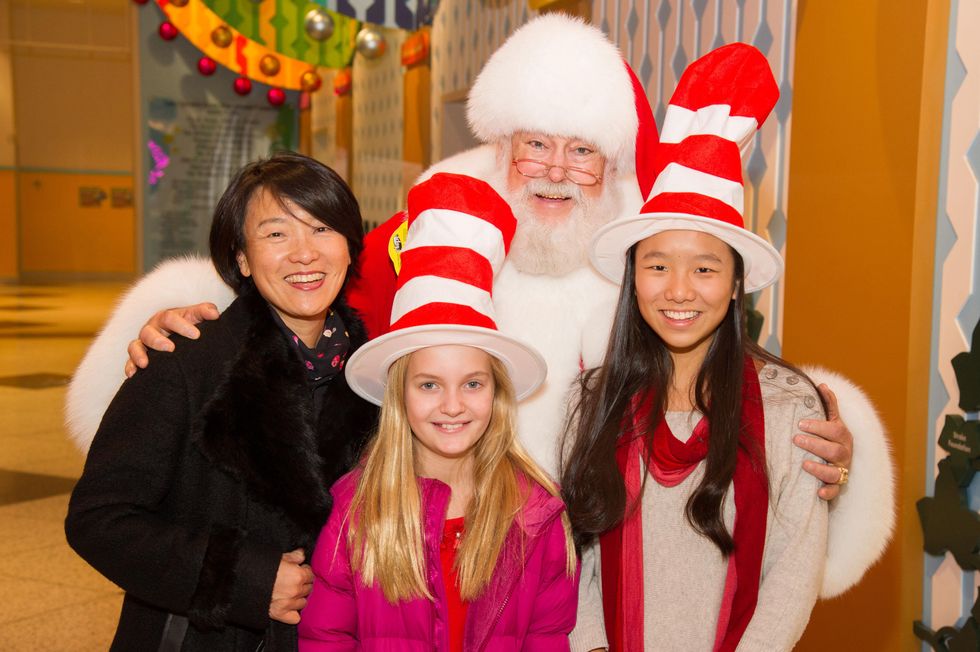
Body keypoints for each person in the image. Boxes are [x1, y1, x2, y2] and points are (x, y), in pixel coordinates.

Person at [65, 14, 892, 603]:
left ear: (613, 164)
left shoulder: (647, 263)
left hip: (599, 590)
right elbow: (307, 291)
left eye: (583, 151)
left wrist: (828, 447)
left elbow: (725, 381)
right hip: (424, 575)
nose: (556, 171)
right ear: (501, 144)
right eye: (535, 144)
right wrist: (183, 319)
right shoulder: (432, 231)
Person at [564, 44, 828, 650]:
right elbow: (578, 556)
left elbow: (794, 570)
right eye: (658, 265)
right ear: (633, 277)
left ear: (736, 284)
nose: (678, 290)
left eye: (705, 269)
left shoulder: (789, 407)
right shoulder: (596, 400)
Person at [64, 153, 378, 651]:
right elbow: (98, 519)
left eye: (322, 228)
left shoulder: (373, 374)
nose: (304, 254)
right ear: (242, 258)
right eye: (276, 234)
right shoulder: (186, 361)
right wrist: (244, 578)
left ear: (349, 246)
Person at [297, 173, 578, 650]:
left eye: (473, 383)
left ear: (497, 393)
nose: (452, 406)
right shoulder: (356, 510)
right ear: (400, 395)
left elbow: (548, 637)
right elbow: (326, 637)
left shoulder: (535, 515)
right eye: (429, 384)